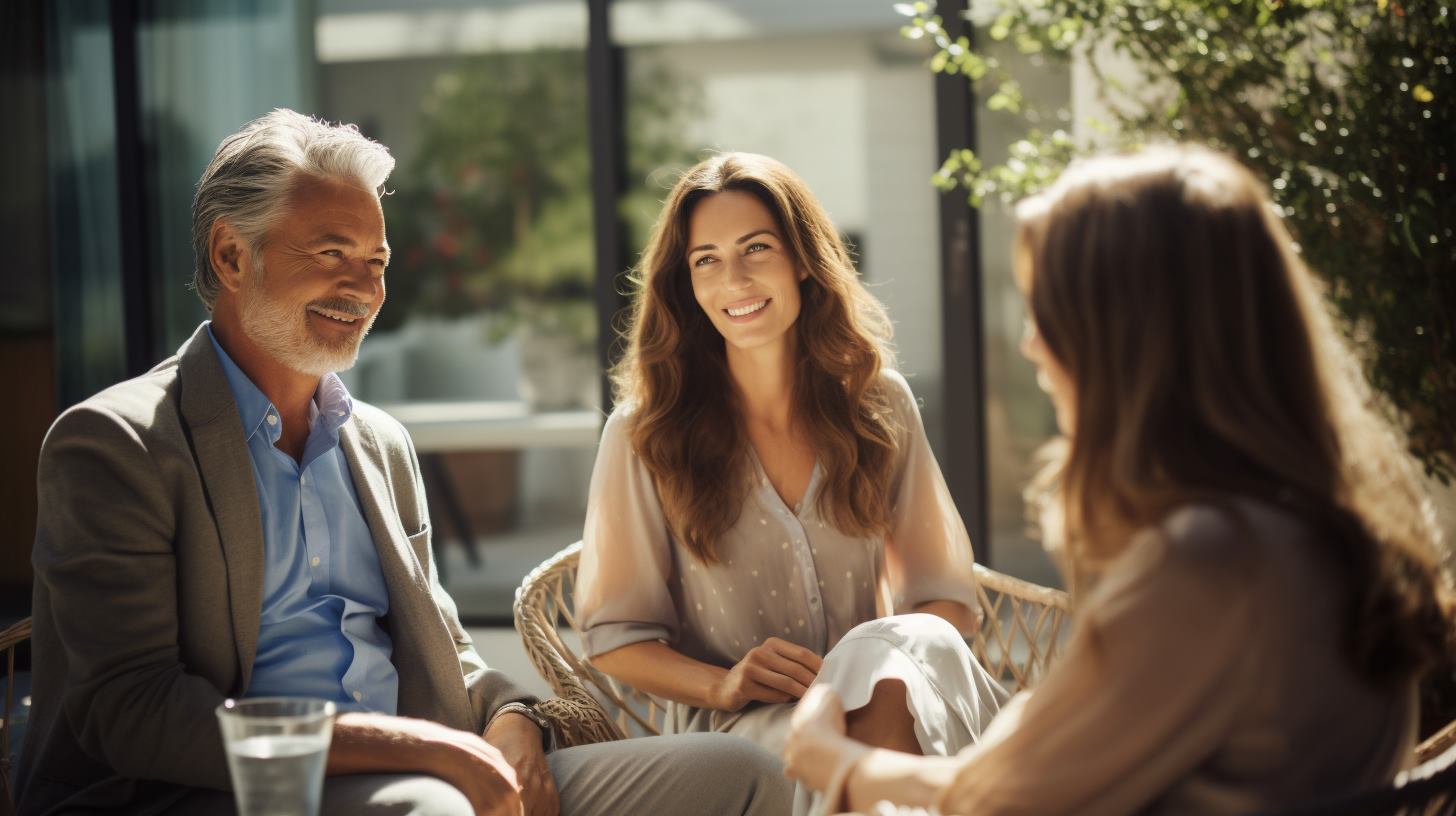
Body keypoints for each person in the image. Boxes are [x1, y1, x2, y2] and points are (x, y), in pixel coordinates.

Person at [17, 109, 790, 816]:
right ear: (230, 254)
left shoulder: (378, 443)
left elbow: (444, 649)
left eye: (377, 260)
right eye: (331, 254)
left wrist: (513, 719)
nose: (364, 287)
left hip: (425, 773)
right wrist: (428, 751)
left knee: (737, 772)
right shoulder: (116, 444)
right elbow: (132, 710)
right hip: (213, 792)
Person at [782, 145, 1455, 815]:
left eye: (1048, 310)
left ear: (1129, 338)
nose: (1029, 344)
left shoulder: (1209, 560)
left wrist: (833, 759)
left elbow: (997, 799)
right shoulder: (1330, 527)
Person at [574, 152, 1006, 813]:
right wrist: (725, 685)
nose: (734, 279)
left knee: (891, 667)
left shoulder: (877, 404)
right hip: (746, 732)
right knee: (882, 704)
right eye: (707, 260)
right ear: (686, 283)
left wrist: (849, 675)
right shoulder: (644, 435)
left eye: (757, 249)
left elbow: (943, 605)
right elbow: (617, 637)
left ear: (803, 259)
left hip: (889, 694)